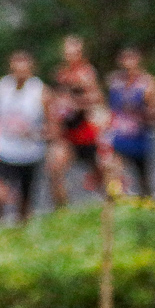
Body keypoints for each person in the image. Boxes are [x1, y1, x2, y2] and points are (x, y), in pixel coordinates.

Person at [0, 49, 48, 223]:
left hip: (30, 153)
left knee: (24, 203)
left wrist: (38, 133)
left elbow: (51, 124)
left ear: (31, 69)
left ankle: (22, 230)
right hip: (5, 150)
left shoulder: (41, 91)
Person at [46, 35, 103, 204]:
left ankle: (111, 204)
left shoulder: (87, 73)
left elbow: (97, 99)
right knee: (55, 167)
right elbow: (55, 101)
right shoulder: (60, 74)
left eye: (74, 52)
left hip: (85, 130)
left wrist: (75, 103)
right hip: (66, 132)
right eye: (67, 52)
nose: (70, 56)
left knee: (100, 171)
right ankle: (62, 211)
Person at [105, 45, 155, 198]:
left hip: (139, 137)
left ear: (138, 60)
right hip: (119, 137)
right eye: (125, 59)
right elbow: (110, 108)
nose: (128, 63)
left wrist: (146, 109)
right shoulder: (115, 82)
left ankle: (147, 203)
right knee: (113, 172)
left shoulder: (147, 83)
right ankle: (115, 203)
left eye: (131, 58)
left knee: (144, 180)